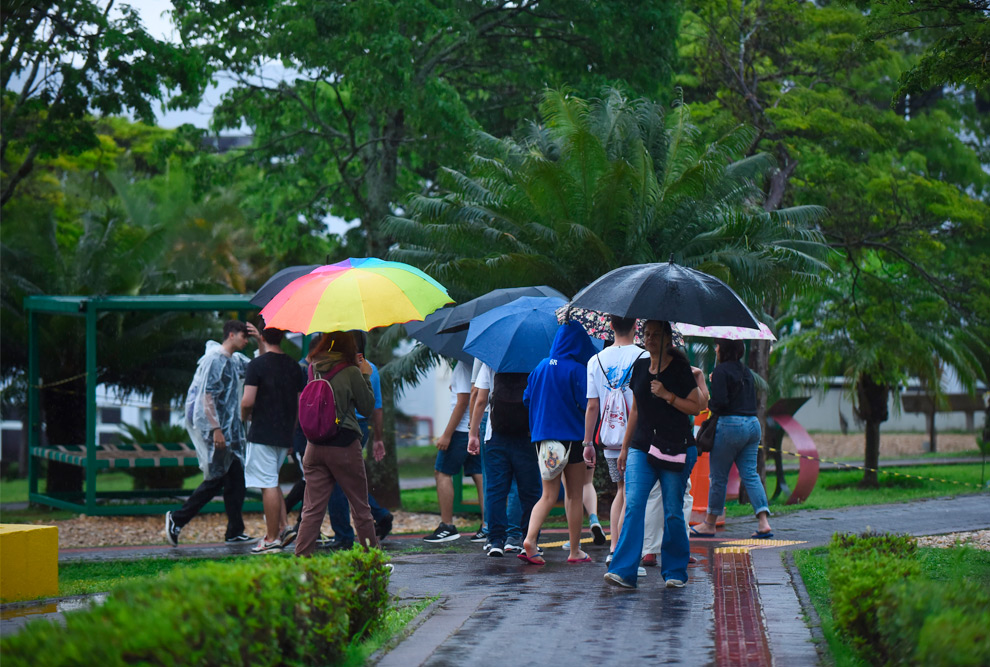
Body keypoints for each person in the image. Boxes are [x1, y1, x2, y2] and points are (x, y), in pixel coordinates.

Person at [604, 320, 704, 589]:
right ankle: (624, 569)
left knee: (672, 510)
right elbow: (635, 410)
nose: (648, 338)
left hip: (675, 446)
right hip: (641, 446)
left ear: (667, 338)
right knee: (635, 505)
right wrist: (625, 448)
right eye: (646, 334)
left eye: (655, 335)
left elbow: (696, 406)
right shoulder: (639, 366)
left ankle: (674, 571)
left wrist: (668, 395)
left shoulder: (681, 368)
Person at [166, 320, 260, 546]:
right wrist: (216, 430)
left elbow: (259, 367)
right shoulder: (215, 360)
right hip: (216, 431)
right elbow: (206, 397)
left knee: (235, 478)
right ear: (230, 334)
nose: (246, 341)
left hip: (230, 432)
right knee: (217, 479)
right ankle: (177, 519)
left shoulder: (234, 361)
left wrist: (261, 340)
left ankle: (234, 531)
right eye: (243, 336)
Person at [519, 322, 598, 564]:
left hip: (543, 439)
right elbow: (587, 405)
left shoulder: (540, 366)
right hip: (572, 438)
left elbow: (526, 399)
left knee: (547, 495)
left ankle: (530, 541)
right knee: (573, 495)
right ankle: (575, 551)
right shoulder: (577, 370)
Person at [294, 331, 379, 556]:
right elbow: (367, 407)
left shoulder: (313, 368)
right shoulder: (351, 371)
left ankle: (301, 562)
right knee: (360, 508)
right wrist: (366, 375)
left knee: (311, 510)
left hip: (314, 446)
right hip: (343, 446)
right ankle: (373, 562)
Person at [689, 339, 772, 539]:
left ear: (724, 350)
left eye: (718, 346)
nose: (716, 348)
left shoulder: (720, 372)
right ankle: (763, 522)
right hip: (752, 425)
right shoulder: (746, 371)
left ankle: (709, 524)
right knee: (750, 475)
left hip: (730, 426)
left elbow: (719, 404)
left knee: (718, 477)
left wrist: (714, 384)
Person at [583, 315, 646, 564]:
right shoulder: (644, 357)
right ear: (636, 325)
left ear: (610, 326)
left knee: (621, 490)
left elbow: (592, 406)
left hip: (609, 436)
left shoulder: (595, 360)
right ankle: (622, 552)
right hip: (638, 437)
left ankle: (613, 548)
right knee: (632, 492)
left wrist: (588, 443)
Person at [241, 327, 307, 554]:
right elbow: (299, 403)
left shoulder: (256, 365)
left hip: (261, 433)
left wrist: (243, 417)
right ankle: (283, 528)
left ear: (262, 336)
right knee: (272, 479)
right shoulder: (294, 366)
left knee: (267, 484)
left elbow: (247, 401)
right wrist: (292, 430)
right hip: (284, 433)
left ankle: (271, 539)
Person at [323, 332, 392, 549]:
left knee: (338, 482)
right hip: (362, 427)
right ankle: (379, 516)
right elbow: (376, 408)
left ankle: (344, 535)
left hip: (345, 427)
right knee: (349, 479)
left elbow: (366, 405)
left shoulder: (342, 369)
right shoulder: (371, 369)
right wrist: (378, 438)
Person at [467, 362, 541, 558]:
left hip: (496, 435)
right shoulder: (536, 363)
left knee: (496, 489)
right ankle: (528, 539)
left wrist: (473, 433)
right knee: (530, 491)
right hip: (527, 435)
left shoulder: (492, 363)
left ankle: (495, 541)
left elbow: (481, 399)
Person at [641, 366, 709, 565]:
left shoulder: (647, 368)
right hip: (675, 441)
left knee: (657, 495)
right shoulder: (680, 372)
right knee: (680, 496)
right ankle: (679, 549)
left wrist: (699, 377)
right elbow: (702, 405)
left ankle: (651, 551)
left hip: (652, 439)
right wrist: (699, 378)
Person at [425, 359, 484, 542]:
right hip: (476, 428)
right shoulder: (479, 363)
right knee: (479, 474)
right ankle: (487, 526)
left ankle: (447, 526)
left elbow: (462, 403)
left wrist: (446, 434)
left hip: (460, 431)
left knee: (442, 472)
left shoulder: (462, 365)